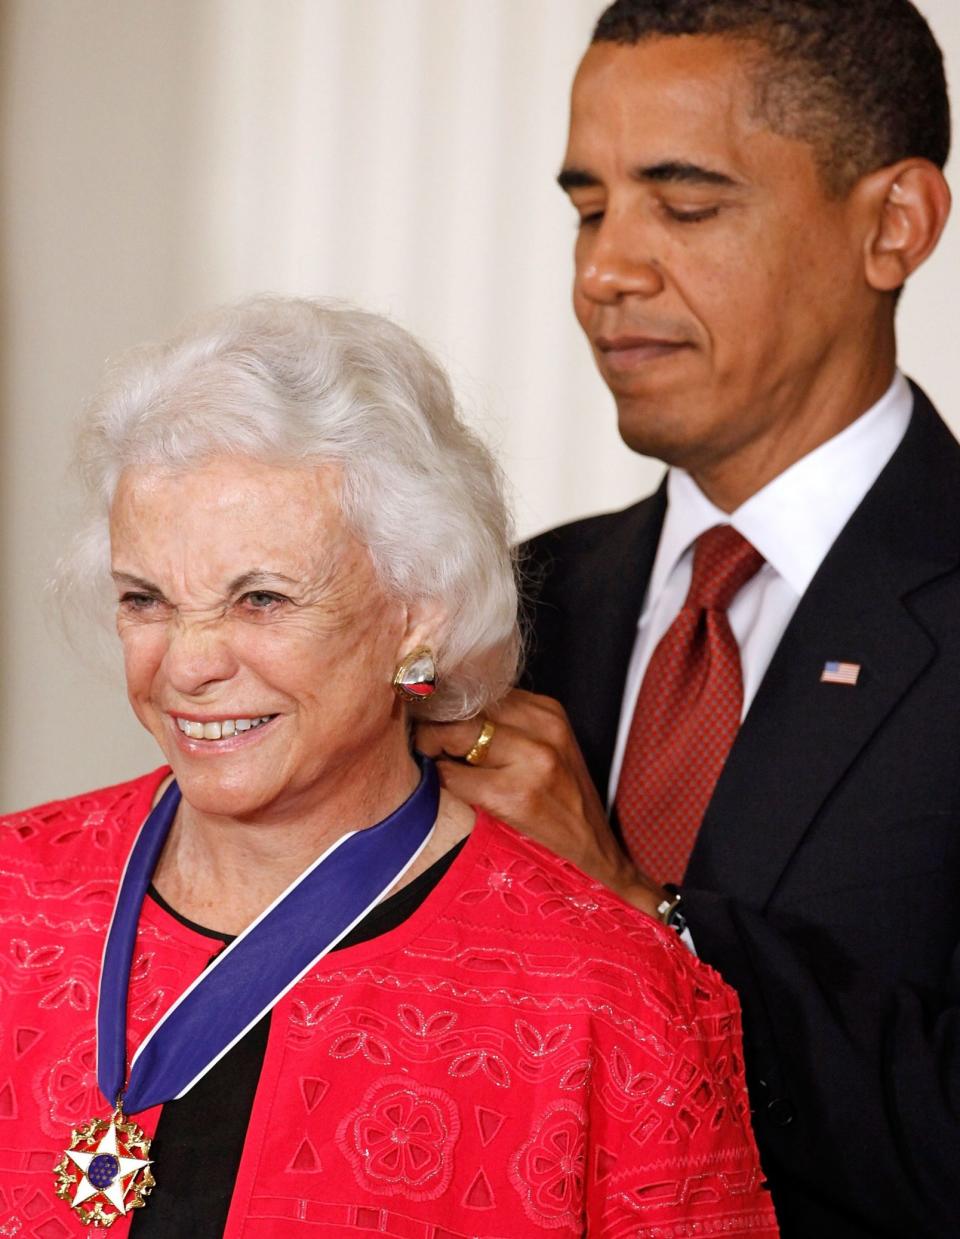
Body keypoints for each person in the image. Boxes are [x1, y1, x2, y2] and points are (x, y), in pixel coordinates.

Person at [0, 297, 777, 1237]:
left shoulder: (610, 1001)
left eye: (261, 597)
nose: (189, 662)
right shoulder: (15, 893)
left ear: (421, 612)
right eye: (146, 598)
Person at [417, 2, 960, 1237]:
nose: (607, 270)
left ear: (895, 224)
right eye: (588, 207)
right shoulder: (506, 609)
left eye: (686, 204)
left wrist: (639, 915)